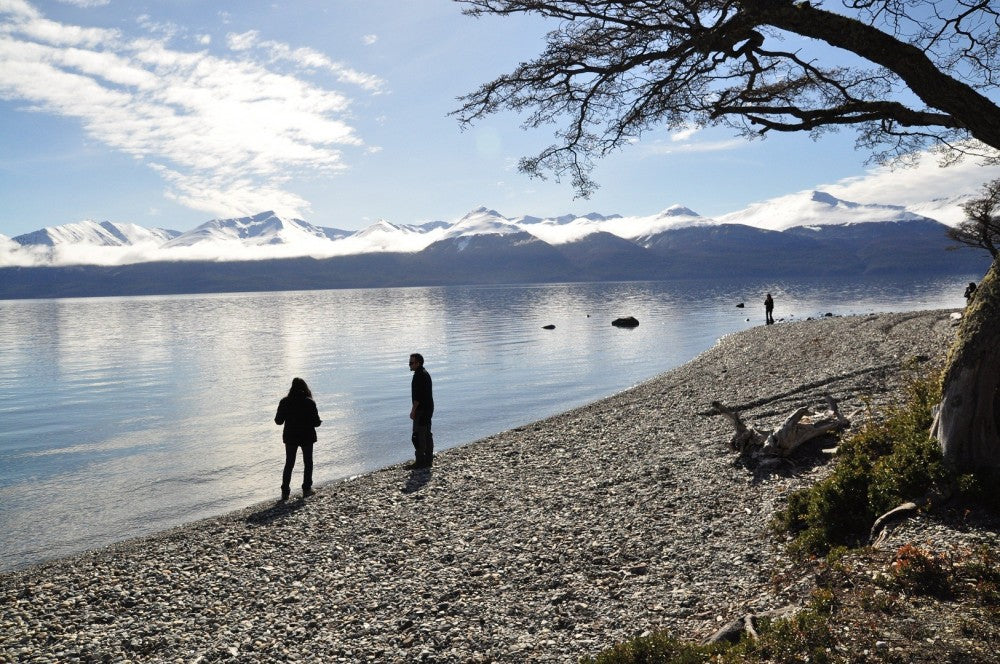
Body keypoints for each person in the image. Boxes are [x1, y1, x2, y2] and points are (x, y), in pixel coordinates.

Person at [274, 377, 322, 500]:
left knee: (289, 463)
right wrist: (317, 422)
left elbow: (278, 421)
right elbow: (316, 423)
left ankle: (285, 492)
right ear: (305, 388)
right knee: (308, 462)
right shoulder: (309, 402)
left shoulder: (285, 401)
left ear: (292, 388)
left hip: (290, 437)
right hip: (307, 436)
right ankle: (306, 489)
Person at [408, 353, 434, 469]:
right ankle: (428, 459)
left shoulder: (419, 375)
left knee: (418, 435)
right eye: (410, 362)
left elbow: (417, 397)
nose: (409, 365)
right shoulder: (425, 373)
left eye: (411, 363)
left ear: (418, 363)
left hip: (422, 409)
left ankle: (420, 461)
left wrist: (413, 411)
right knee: (427, 433)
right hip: (429, 408)